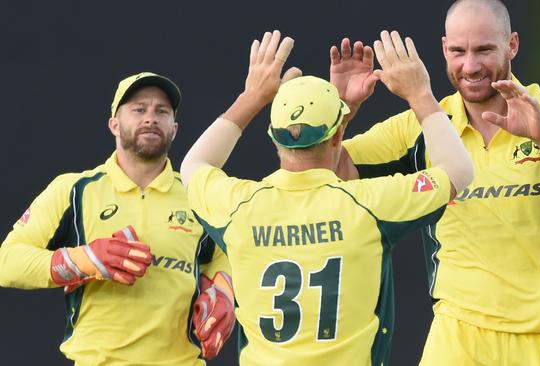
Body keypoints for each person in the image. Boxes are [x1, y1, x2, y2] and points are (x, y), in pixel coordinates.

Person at [331, 0, 540, 365]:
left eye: (484, 50)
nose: (470, 66)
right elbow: (331, 173)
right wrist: (342, 110)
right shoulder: (422, 125)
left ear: (512, 45)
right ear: (443, 49)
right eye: (458, 51)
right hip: (460, 334)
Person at [180, 30, 473, 366]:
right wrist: (420, 94)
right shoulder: (366, 205)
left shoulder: (240, 207)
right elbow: (458, 170)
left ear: (274, 139)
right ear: (337, 136)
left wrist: (253, 96)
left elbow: (194, 166)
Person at [0, 72, 235, 365]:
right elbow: (7, 262)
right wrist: (83, 260)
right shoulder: (74, 189)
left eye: (161, 111)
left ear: (174, 129)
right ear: (114, 124)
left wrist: (222, 290)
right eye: (139, 109)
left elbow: (224, 254)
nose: (150, 118)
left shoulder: (197, 192)